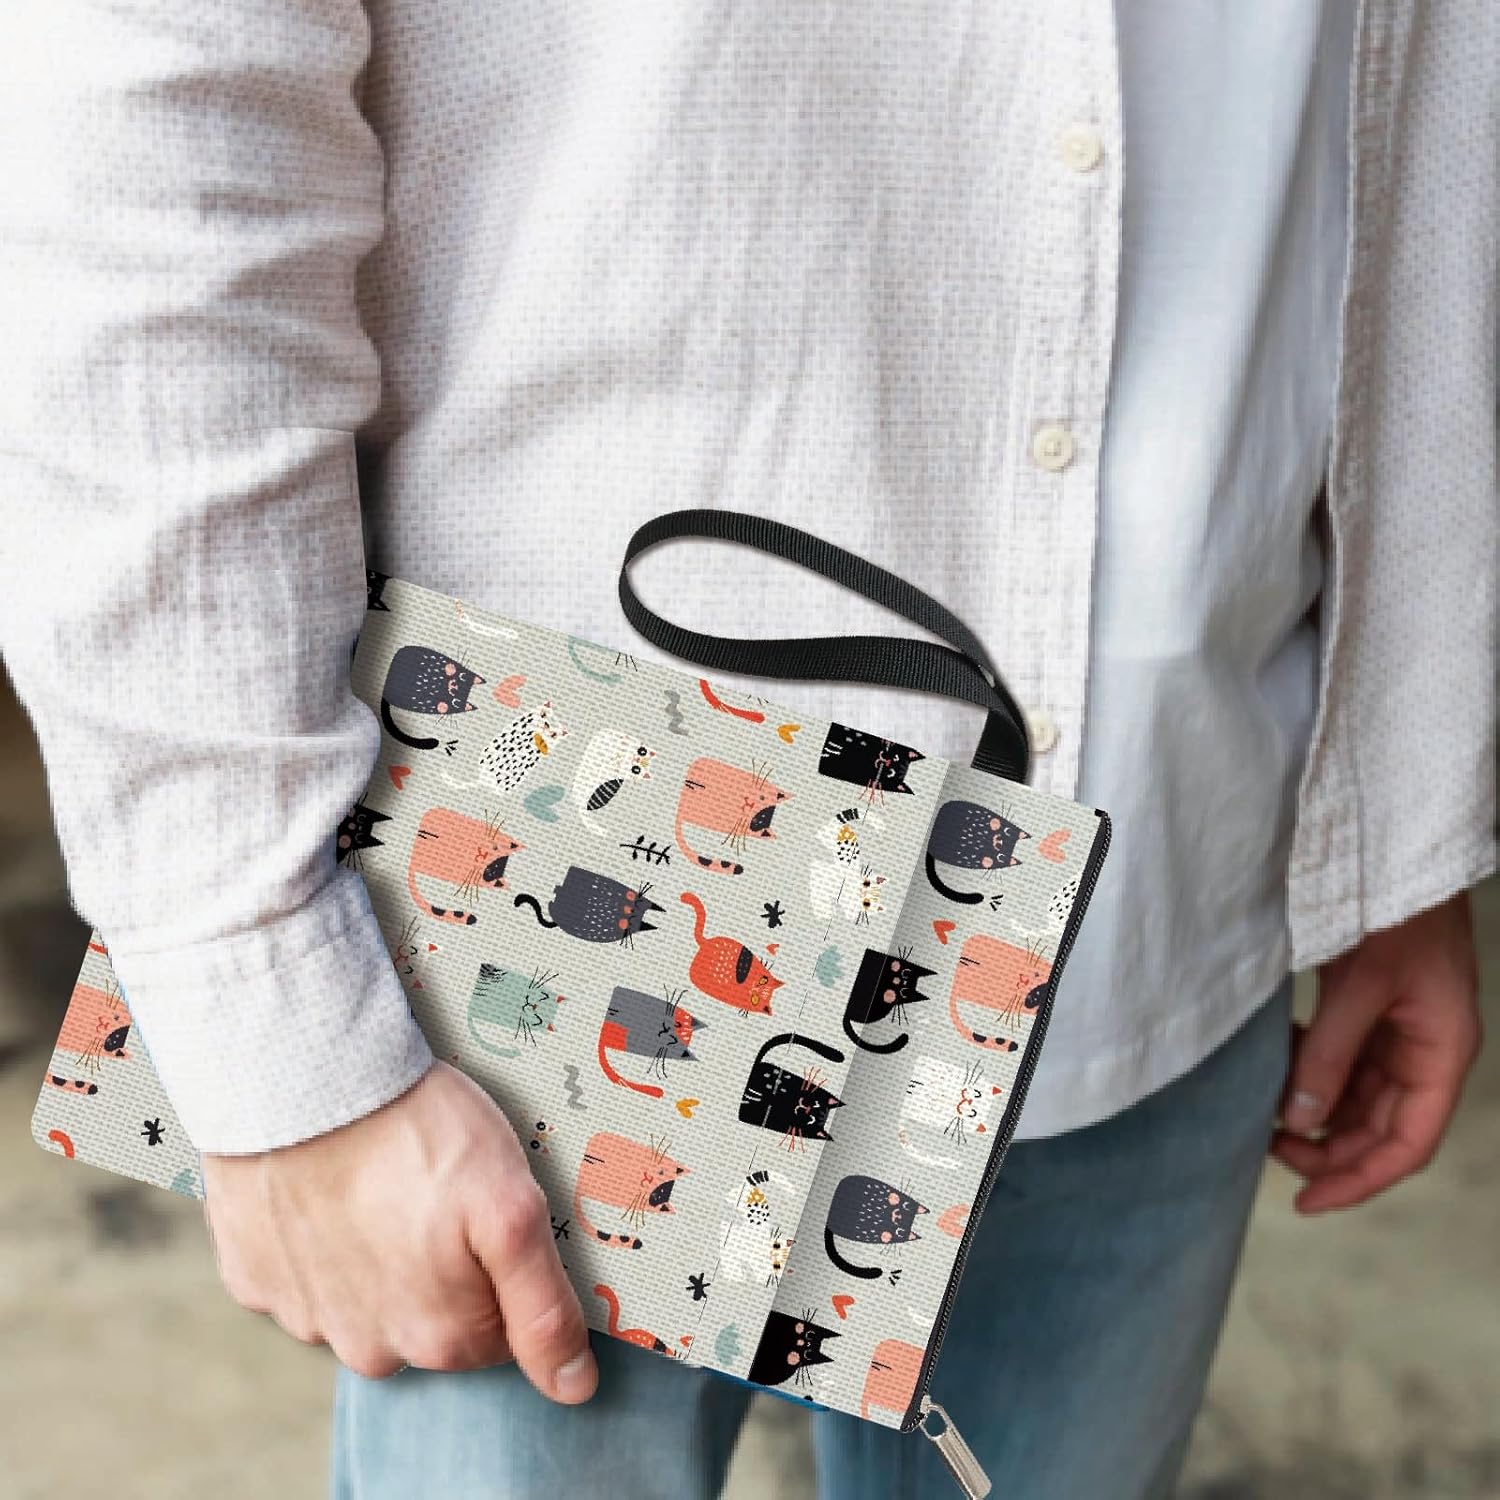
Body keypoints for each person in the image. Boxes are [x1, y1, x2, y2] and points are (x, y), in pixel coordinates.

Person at [1, 3, 1493, 1497]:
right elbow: (154, 157)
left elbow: (1425, 109)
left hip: (1177, 838)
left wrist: (1393, 824)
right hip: (575, 866)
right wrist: (263, 1010)